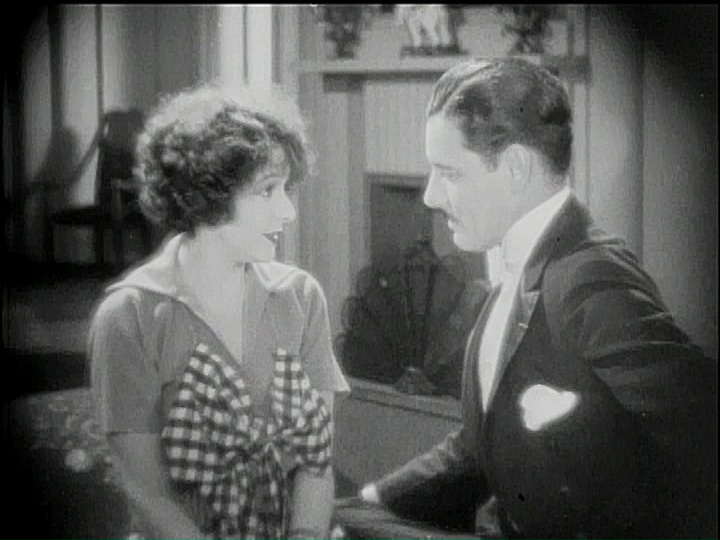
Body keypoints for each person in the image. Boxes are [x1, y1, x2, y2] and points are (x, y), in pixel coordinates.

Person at [334, 57, 718, 540]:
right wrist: (373, 502)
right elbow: (478, 446)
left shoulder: (589, 276)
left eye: (448, 173)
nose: (430, 196)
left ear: (516, 167)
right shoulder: (516, 266)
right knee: (339, 520)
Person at [88, 82, 349, 540]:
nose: (288, 211)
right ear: (207, 193)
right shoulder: (128, 316)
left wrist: (305, 536)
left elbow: (316, 463)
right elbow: (146, 494)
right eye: (267, 191)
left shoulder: (301, 298)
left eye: (286, 189)